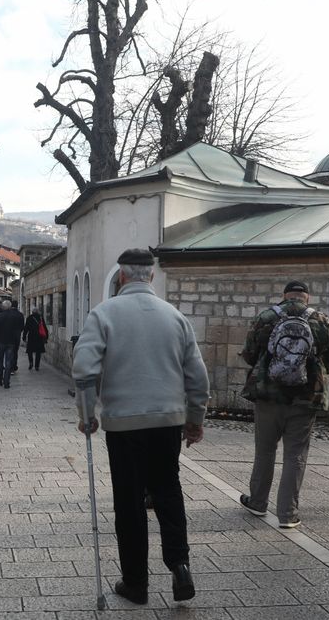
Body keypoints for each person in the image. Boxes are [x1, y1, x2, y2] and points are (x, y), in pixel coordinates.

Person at [73, 248, 209, 605]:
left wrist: (87, 414)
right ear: (151, 276)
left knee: (129, 500)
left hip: (124, 425)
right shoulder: (175, 317)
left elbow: (84, 369)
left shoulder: (103, 314)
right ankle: (180, 566)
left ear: (121, 277)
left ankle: (136, 583)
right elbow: (198, 377)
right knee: (168, 491)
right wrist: (194, 420)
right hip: (166, 422)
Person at [239, 280, 329, 529]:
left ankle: (258, 502)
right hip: (305, 398)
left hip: (268, 395)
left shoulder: (266, 317)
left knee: (265, 450)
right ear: (307, 297)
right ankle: (288, 514)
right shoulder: (322, 321)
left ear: (284, 296)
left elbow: (250, 355)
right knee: (295, 454)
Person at [0, 300, 24, 389]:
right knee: (8, 361)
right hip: (11, 342)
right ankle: (6, 381)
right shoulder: (15, 317)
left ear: (3, 307)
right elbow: (18, 329)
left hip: (0, 342)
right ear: (10, 307)